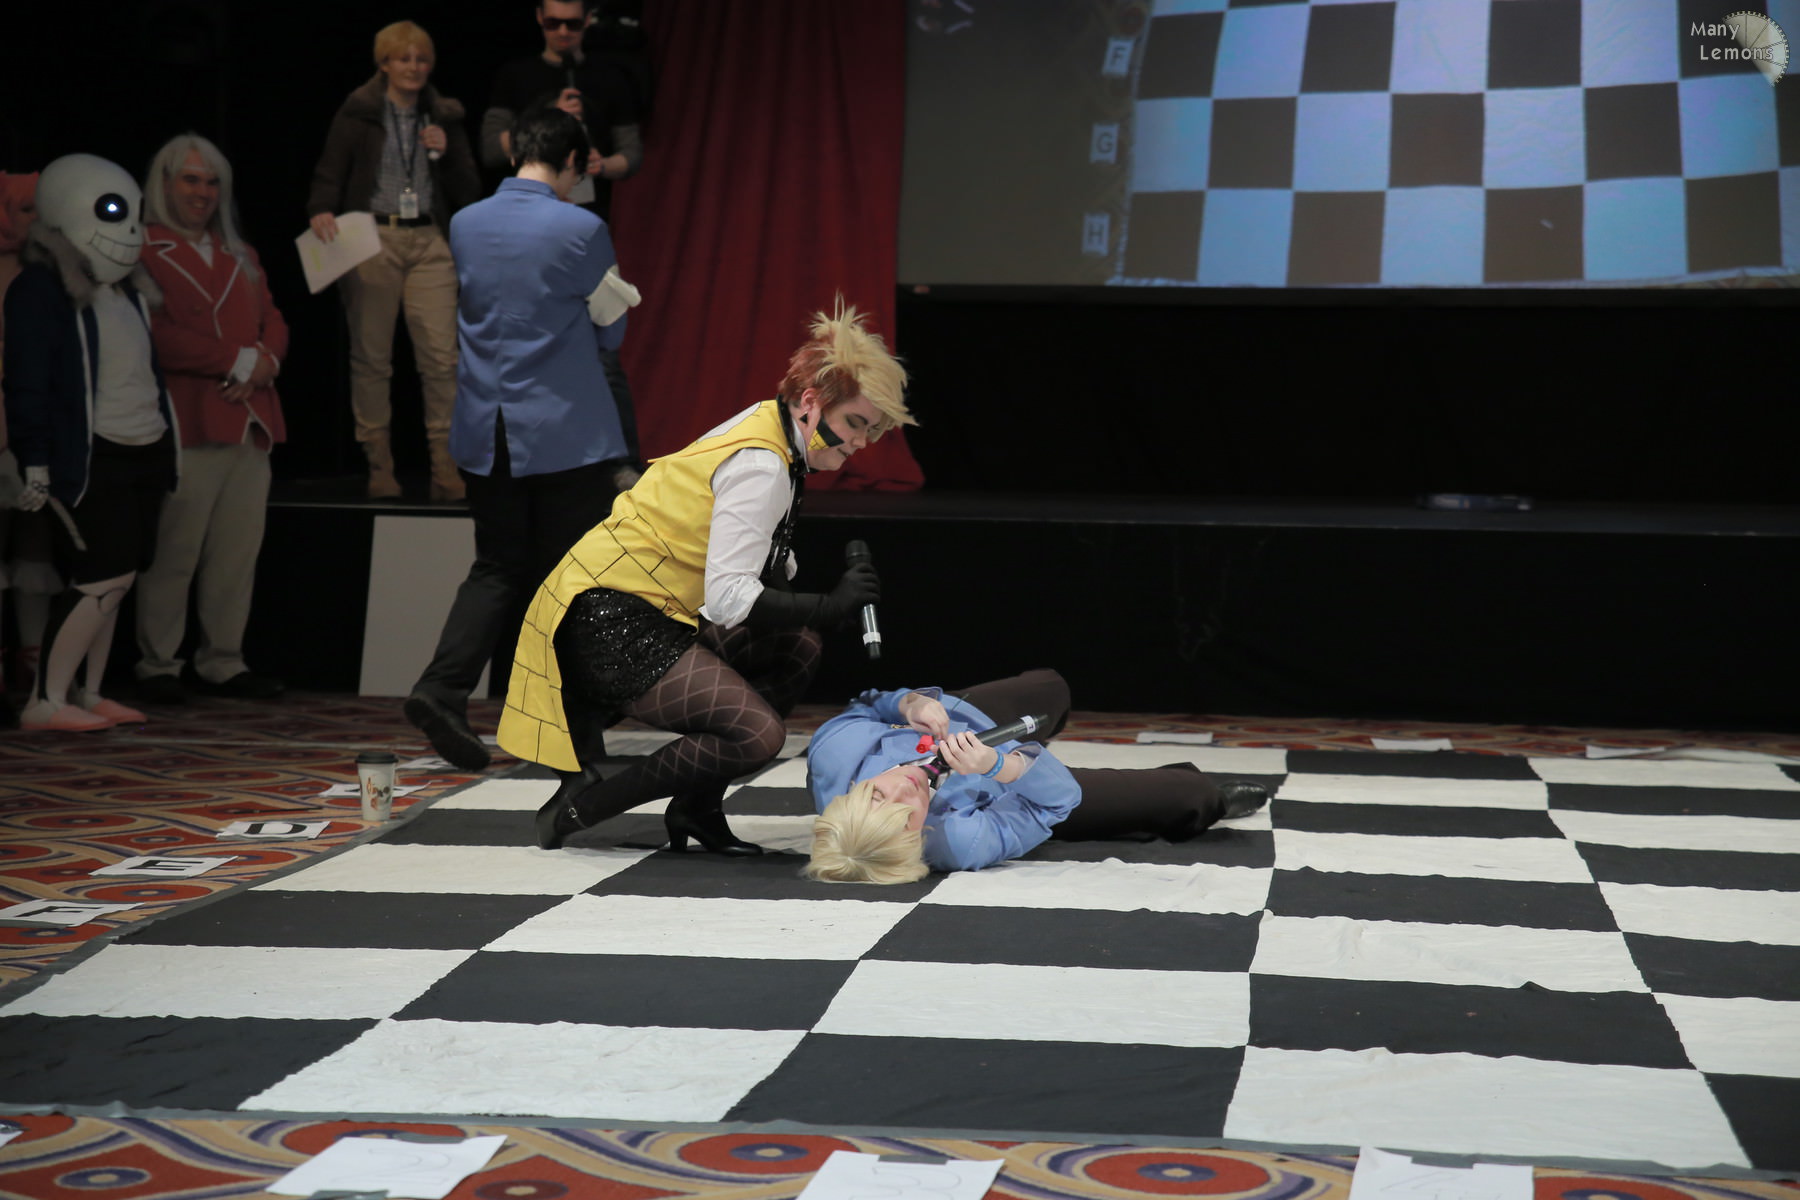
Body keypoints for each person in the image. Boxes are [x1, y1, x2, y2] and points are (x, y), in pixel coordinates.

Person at [502, 301, 913, 854]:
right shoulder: (763, 464)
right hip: (607, 622)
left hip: (645, 607)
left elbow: (755, 560)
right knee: (758, 736)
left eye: (872, 430)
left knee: (797, 646)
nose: (861, 443)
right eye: (855, 424)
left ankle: (696, 807)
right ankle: (583, 807)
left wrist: (813, 603)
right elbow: (729, 599)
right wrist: (830, 604)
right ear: (812, 402)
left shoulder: (774, 429)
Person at [404, 106, 637, 771]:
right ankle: (571, 728)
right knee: (571, 579)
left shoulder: (466, 222)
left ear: (514, 155)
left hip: (487, 426)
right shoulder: (582, 228)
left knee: (497, 567)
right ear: (573, 164)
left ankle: (442, 689)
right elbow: (610, 328)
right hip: (565, 431)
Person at [2, 154, 178, 731]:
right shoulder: (41, 290)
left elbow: (146, 373)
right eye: (111, 212)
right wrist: (35, 460)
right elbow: (28, 381)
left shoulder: (127, 291)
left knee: (122, 577)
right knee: (102, 574)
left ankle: (90, 690)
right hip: (90, 456)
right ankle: (46, 699)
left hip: (142, 446)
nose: (129, 231)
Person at [805, 670, 1272, 883]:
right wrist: (1000, 766)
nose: (905, 792)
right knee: (1186, 794)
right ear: (918, 839)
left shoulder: (835, 752)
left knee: (1052, 687)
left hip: (963, 717)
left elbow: (867, 703)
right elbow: (1057, 800)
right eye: (907, 817)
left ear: (854, 792)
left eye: (878, 796)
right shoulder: (956, 841)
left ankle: (1038, 732)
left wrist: (910, 704)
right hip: (1014, 789)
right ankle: (1211, 802)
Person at [132, 134, 289, 704]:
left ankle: (224, 660)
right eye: (191, 180)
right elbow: (155, 334)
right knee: (175, 552)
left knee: (235, 555)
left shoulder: (239, 253)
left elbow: (274, 319)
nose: (202, 192)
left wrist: (265, 362)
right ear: (165, 183)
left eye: (212, 182)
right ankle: (158, 664)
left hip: (249, 417)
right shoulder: (142, 249)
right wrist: (236, 360)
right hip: (188, 418)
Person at [307, 20, 480, 502]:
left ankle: (446, 469)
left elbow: (469, 189)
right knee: (372, 358)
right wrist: (321, 207)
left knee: (442, 360)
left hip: (428, 239)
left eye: (421, 59)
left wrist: (446, 152)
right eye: (404, 59)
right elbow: (330, 171)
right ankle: (379, 467)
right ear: (384, 63)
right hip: (373, 237)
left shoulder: (442, 115)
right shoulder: (359, 112)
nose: (414, 68)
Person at [480, 0, 646, 488]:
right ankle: (530, 462)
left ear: (588, 21)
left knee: (604, 350)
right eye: (554, 22)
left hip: (586, 225)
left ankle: (621, 463)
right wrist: (545, 120)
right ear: (539, 19)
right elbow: (490, 147)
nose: (564, 31)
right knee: (524, 343)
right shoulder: (517, 76)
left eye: (573, 23)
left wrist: (602, 164)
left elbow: (632, 153)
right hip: (527, 229)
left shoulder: (608, 77)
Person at [0, 170, 62, 717]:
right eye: (24, 210)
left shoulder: (54, 275)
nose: (36, 222)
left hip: (34, 429)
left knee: (35, 544)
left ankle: (36, 659)